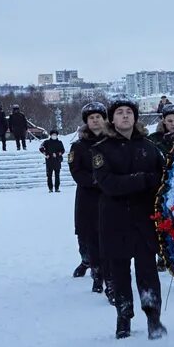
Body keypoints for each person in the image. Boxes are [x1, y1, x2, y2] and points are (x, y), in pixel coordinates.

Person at [91, 98, 166, 340]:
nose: (125, 116)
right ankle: (123, 316)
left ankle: (153, 317)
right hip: (114, 219)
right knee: (119, 271)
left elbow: (162, 177)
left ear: (136, 117)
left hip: (144, 219)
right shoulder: (101, 149)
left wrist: (146, 181)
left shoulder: (149, 146)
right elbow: (108, 184)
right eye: (119, 113)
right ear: (111, 119)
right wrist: (143, 180)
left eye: (129, 113)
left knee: (147, 271)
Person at [67, 103, 108, 293]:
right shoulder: (79, 146)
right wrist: (98, 181)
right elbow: (76, 172)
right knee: (90, 238)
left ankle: (111, 274)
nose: (95, 120)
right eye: (91, 118)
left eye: (98, 117)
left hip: (111, 197)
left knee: (110, 238)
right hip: (88, 198)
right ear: (86, 122)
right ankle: (96, 274)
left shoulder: (113, 142)